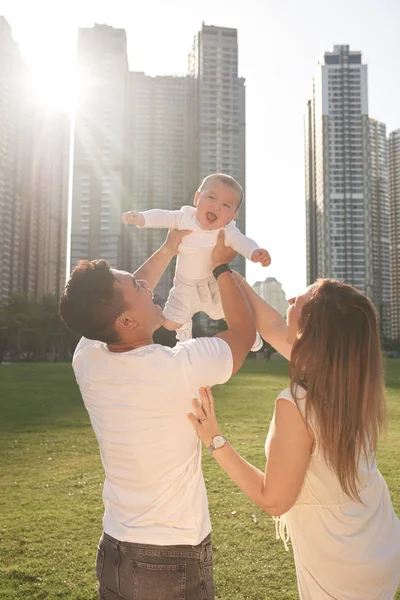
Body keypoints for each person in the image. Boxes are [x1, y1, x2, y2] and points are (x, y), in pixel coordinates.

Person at [59, 229, 281, 600]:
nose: (150, 288)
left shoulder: (88, 358)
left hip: (114, 548)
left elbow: (119, 300)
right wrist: (221, 266)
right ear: (126, 323)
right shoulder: (179, 367)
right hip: (170, 559)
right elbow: (243, 334)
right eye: (140, 289)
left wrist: (170, 248)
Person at [189, 277, 400, 600]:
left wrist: (215, 440)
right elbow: (273, 327)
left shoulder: (297, 403)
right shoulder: (350, 378)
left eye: (298, 302)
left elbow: (273, 500)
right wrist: (225, 271)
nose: (288, 303)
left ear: (311, 327)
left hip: (341, 559)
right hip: (378, 539)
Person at [122, 173, 270, 350]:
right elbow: (163, 217)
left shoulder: (228, 229)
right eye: (211, 197)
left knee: (232, 312)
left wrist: (255, 252)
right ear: (197, 198)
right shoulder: (185, 217)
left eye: (225, 205)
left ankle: (250, 334)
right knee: (169, 323)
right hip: (185, 286)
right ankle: (184, 329)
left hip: (213, 285)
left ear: (233, 215)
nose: (216, 206)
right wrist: (141, 218)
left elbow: (241, 241)